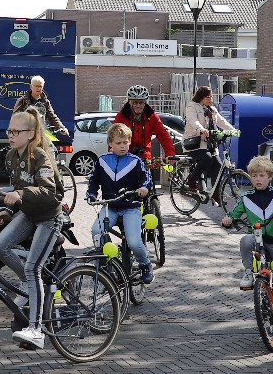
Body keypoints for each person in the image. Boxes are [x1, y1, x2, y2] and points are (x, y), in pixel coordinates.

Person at [0, 108, 65, 349]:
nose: (10, 135)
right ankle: (27, 282)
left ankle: (36, 330)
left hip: (49, 217)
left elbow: (49, 192)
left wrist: (20, 194)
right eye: (9, 131)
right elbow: (17, 190)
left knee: (34, 268)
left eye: (16, 131)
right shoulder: (11, 156)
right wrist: (8, 211)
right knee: (0, 246)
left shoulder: (40, 155)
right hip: (29, 214)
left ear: (30, 134)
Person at [220, 155, 273, 330]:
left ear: (269, 177)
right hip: (256, 240)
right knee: (245, 240)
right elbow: (233, 214)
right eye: (254, 176)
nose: (258, 179)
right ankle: (249, 272)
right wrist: (227, 220)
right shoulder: (246, 197)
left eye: (262, 175)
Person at [84, 123, 154, 285]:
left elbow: (146, 178)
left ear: (129, 142)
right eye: (118, 143)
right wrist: (91, 194)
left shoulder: (135, 161)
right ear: (110, 143)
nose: (122, 146)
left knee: (134, 242)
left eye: (125, 142)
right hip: (110, 206)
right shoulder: (102, 161)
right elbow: (93, 181)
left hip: (131, 207)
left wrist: (144, 188)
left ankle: (145, 264)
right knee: (96, 231)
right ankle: (109, 264)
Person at [183, 85, 234, 191]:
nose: (210, 99)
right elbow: (193, 120)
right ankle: (192, 180)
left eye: (211, 97)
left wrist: (233, 130)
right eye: (208, 97)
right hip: (195, 143)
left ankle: (216, 193)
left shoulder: (212, 110)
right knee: (207, 158)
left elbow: (221, 121)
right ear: (201, 97)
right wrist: (201, 129)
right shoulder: (192, 107)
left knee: (218, 165)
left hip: (210, 144)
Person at [112, 85, 177, 166]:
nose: (138, 106)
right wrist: (114, 156)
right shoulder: (122, 116)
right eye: (135, 102)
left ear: (145, 102)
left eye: (141, 102)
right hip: (125, 157)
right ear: (129, 102)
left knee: (147, 173)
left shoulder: (151, 116)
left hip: (144, 157)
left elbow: (163, 134)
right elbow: (114, 137)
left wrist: (170, 153)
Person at [12, 75, 70, 142]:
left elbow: (53, 117)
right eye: (36, 86)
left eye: (40, 86)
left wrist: (61, 127)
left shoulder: (45, 102)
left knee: (53, 146)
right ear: (31, 86)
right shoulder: (22, 101)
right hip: (26, 134)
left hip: (41, 133)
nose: (38, 88)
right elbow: (15, 118)